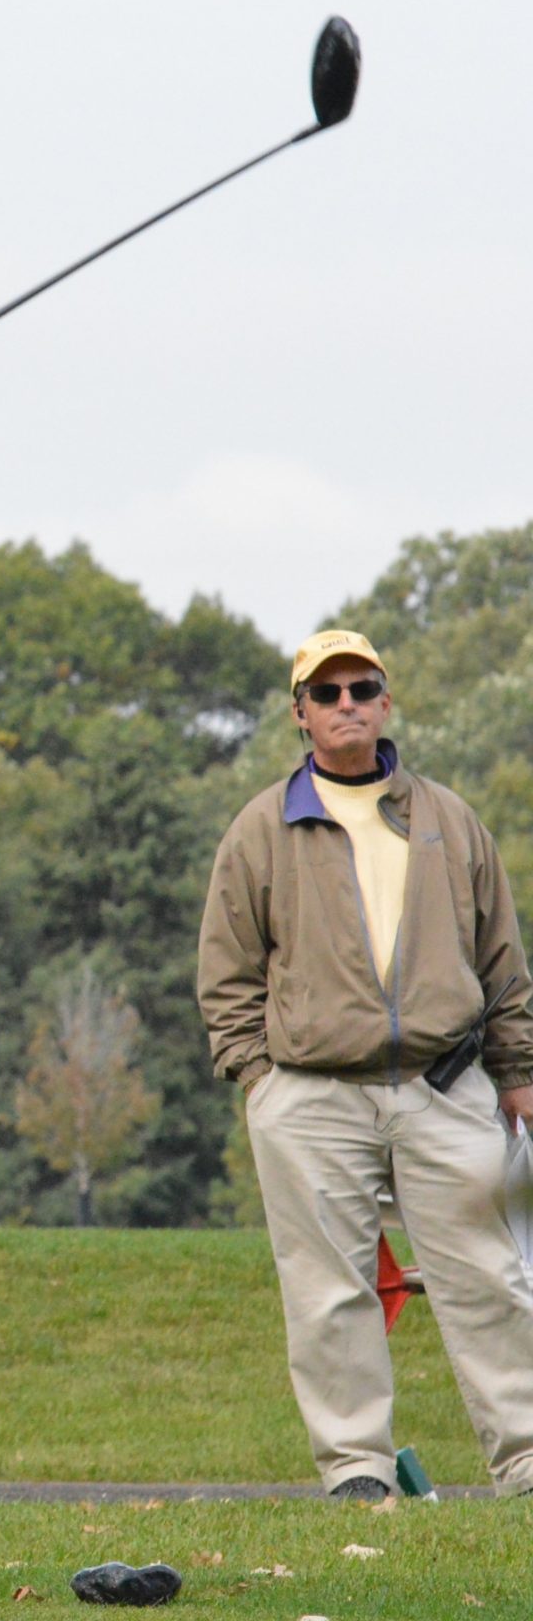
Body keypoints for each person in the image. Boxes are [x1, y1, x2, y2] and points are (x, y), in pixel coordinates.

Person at [198, 628, 533, 1500]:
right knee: (329, 1292)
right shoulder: (260, 831)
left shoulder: (450, 821)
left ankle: (528, 1459)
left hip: (446, 1086)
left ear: (386, 703)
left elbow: (503, 961)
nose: (347, 704)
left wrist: (520, 1073)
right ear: (300, 715)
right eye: (328, 692)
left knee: (490, 1280)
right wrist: (258, 1079)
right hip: (310, 1096)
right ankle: (358, 1472)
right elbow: (226, 969)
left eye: (363, 688)